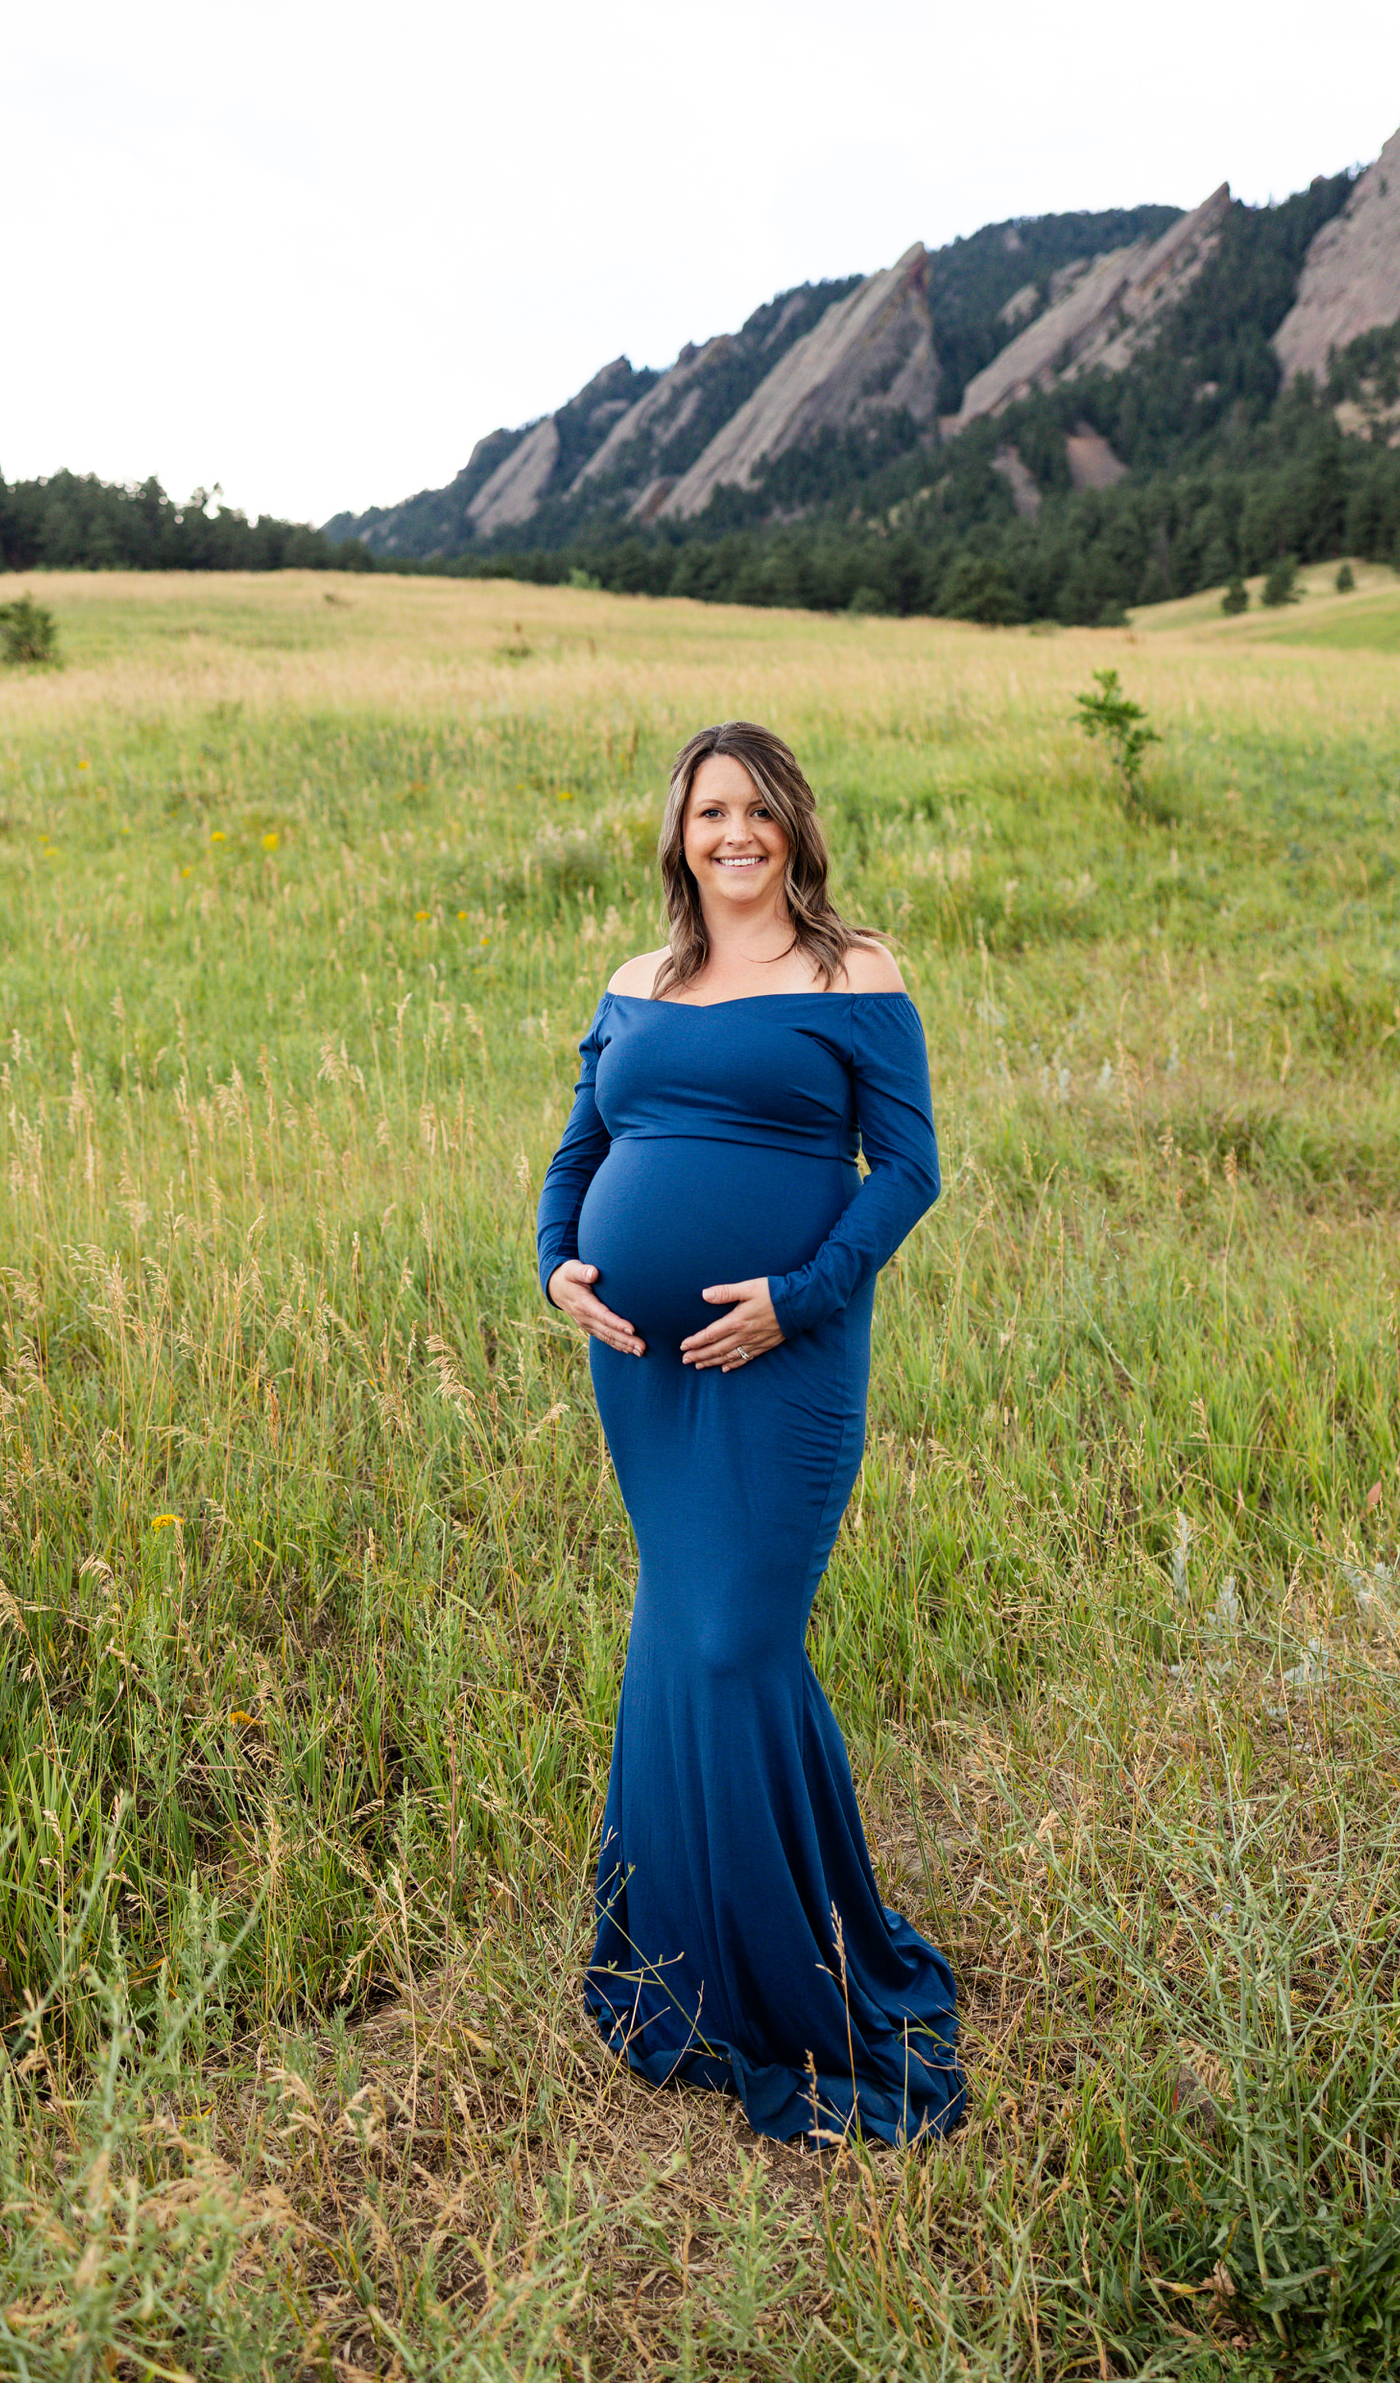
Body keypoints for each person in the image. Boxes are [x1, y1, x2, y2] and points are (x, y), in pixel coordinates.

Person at [535, 721, 964, 2148]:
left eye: (757, 810)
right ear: (679, 833)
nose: (735, 833)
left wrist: (799, 1297)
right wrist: (558, 1264)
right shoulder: (638, 981)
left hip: (789, 1361)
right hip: (645, 1366)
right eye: (709, 811)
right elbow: (579, 1150)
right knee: (681, 1634)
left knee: (733, 1640)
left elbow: (908, 1170)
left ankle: (796, 1978)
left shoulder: (856, 974)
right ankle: (682, 1966)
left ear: (795, 826)